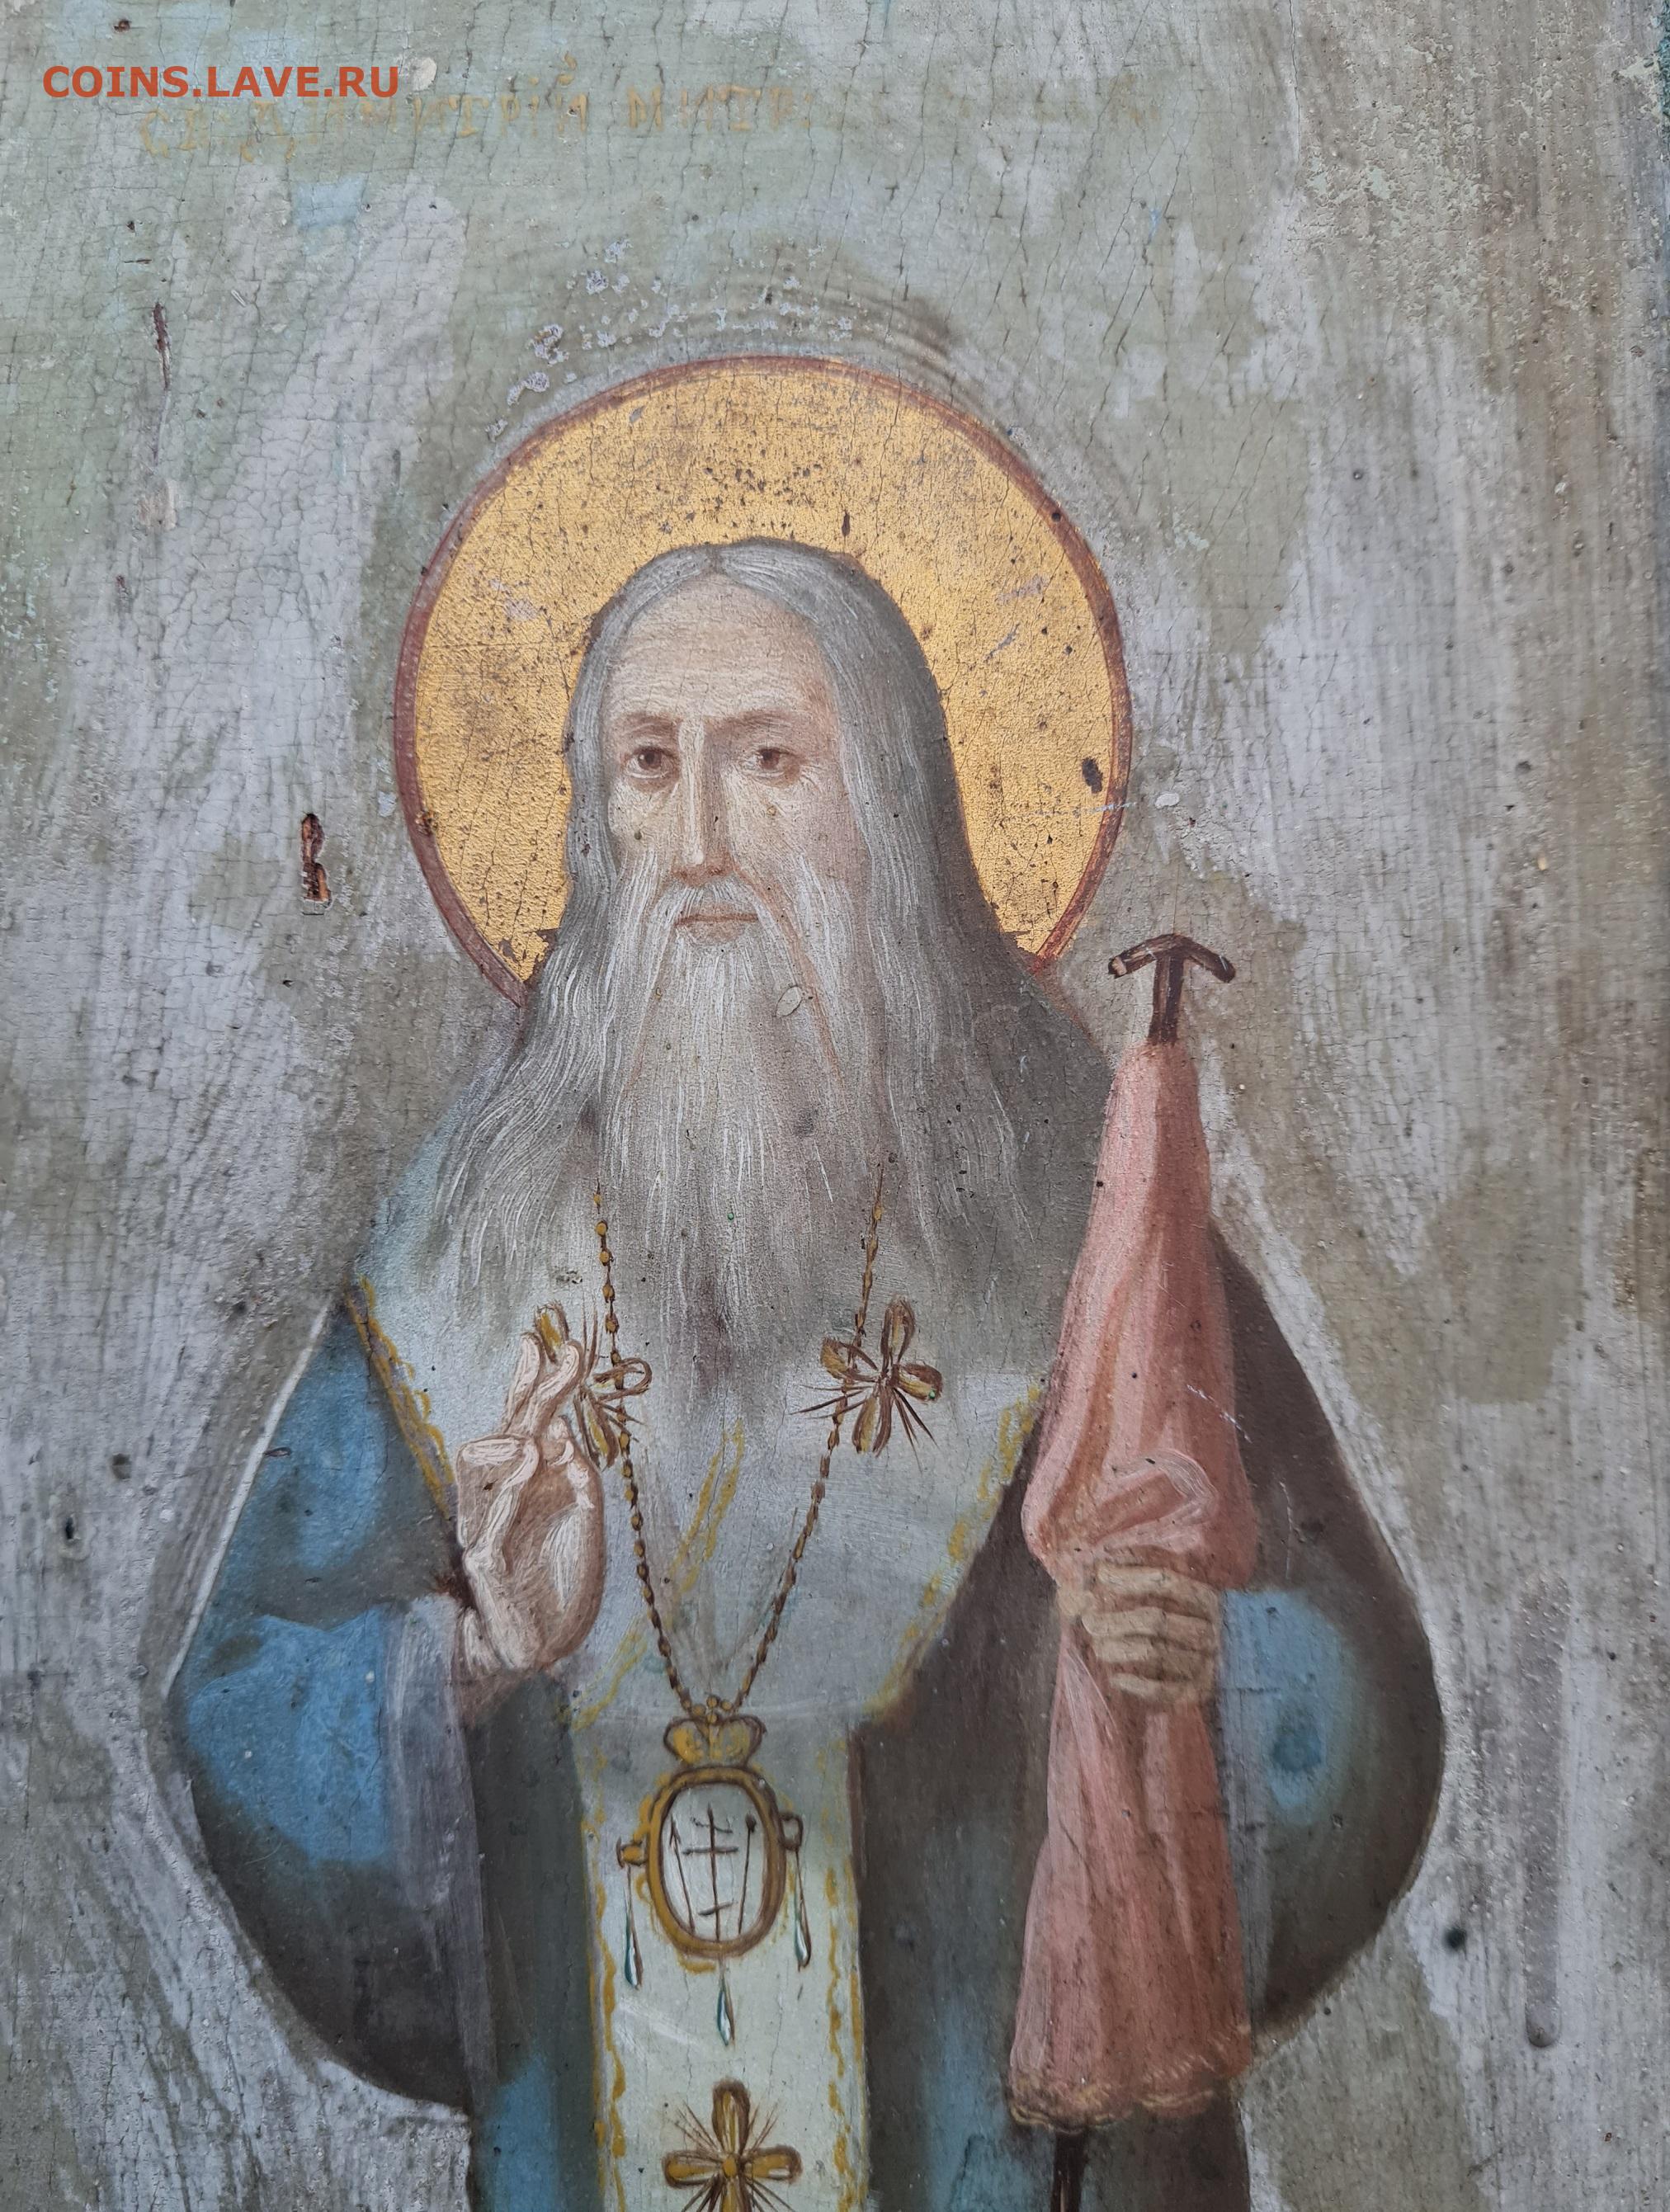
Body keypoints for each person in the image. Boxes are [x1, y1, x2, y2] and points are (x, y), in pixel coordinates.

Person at [172, 540, 1438, 2210]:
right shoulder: (471, 1248)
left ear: (891, 810)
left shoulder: (1083, 1216)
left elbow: (1357, 1688)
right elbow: (247, 1698)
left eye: (768, 757)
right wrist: (467, 1655)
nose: (699, 838)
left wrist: (1194, 1669)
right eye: (648, 764)